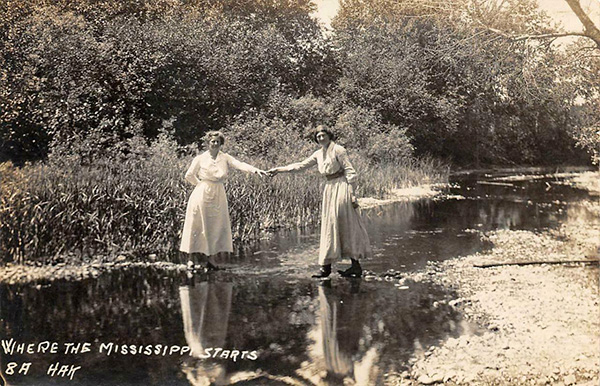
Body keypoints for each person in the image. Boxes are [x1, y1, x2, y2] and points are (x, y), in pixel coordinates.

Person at [268, 126, 371, 278]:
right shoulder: (318, 154)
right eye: (318, 136)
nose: (321, 139)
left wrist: (352, 194)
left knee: (345, 224)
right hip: (329, 189)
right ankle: (326, 268)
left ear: (329, 135)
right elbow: (300, 166)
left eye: (323, 135)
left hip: (342, 187)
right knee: (329, 226)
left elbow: (350, 171)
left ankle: (355, 266)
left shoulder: (338, 150)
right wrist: (279, 169)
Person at [180, 131, 267, 270]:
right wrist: (201, 186)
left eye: (217, 142)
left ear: (221, 144)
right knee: (197, 224)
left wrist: (255, 170)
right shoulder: (200, 158)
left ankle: (211, 259)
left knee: (214, 225)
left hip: (218, 194)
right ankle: (190, 259)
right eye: (212, 141)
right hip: (202, 194)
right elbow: (188, 175)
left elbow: (240, 164)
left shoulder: (225, 158)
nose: (215, 144)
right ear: (208, 143)